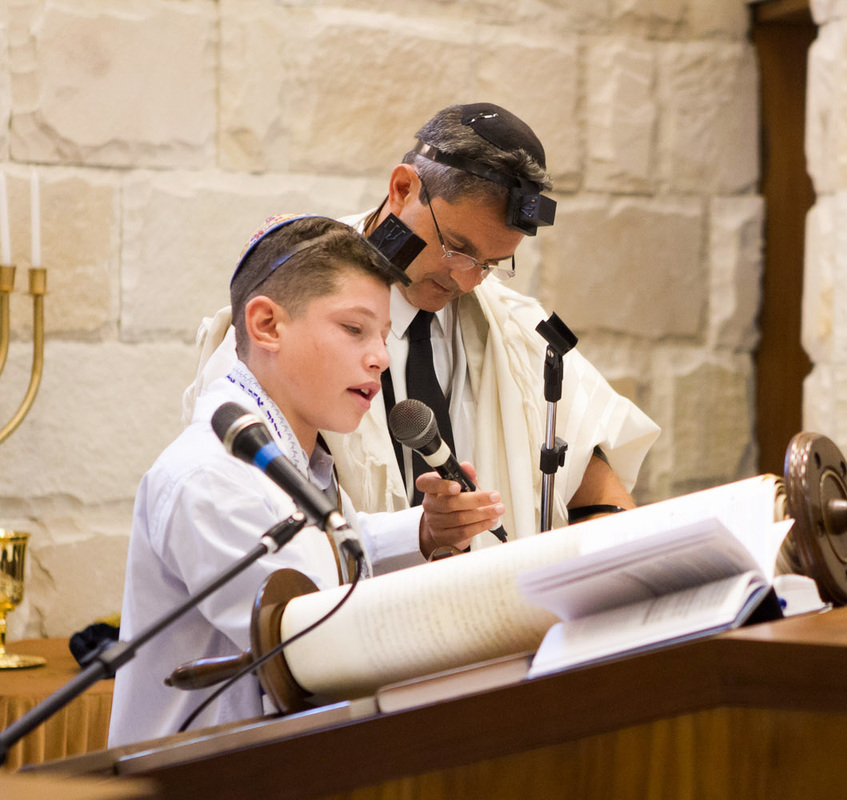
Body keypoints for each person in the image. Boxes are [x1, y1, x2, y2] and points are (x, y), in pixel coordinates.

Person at [183, 103, 659, 551]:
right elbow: (256, 520)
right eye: (457, 248)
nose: (467, 281)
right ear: (402, 188)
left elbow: (600, 497)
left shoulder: (517, 331)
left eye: (491, 263)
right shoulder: (298, 295)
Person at [108, 216, 502, 746]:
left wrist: (425, 533)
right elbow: (312, 644)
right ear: (267, 325)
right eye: (354, 329)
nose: (381, 358)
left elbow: (326, 557)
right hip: (205, 774)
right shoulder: (211, 476)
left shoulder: (290, 457)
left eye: (383, 335)